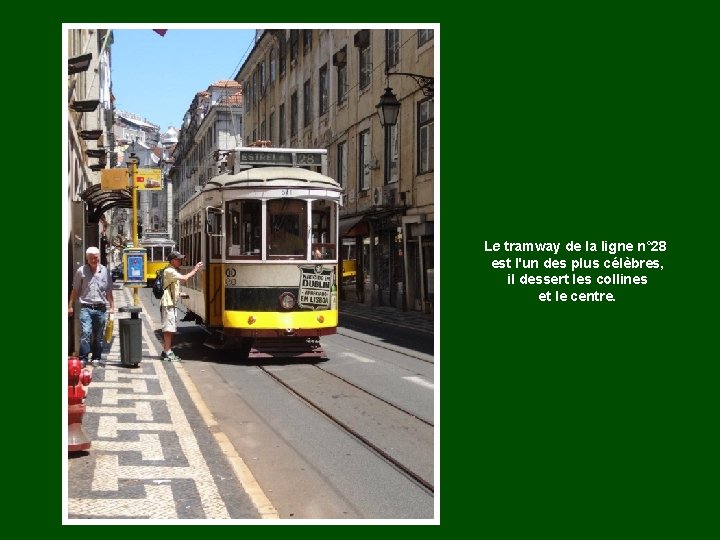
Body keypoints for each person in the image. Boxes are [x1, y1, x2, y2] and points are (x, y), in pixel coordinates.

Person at [68, 246, 115, 367]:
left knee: (99, 335)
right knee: (86, 332)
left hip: (101, 308)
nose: (94, 260)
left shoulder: (105, 271)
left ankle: (96, 357)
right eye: (91, 258)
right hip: (86, 307)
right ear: (87, 259)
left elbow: (109, 291)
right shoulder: (81, 271)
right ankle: (83, 357)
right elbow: (75, 289)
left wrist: (112, 307)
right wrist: (70, 305)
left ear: (99, 257)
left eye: (96, 258)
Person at [160, 250, 203, 362]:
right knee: (169, 329)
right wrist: (195, 269)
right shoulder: (170, 270)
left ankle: (166, 351)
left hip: (170, 303)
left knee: (170, 328)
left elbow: (172, 287)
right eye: (178, 259)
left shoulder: (172, 270)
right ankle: (167, 352)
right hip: (167, 304)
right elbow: (185, 278)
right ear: (173, 260)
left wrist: (179, 294)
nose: (180, 261)